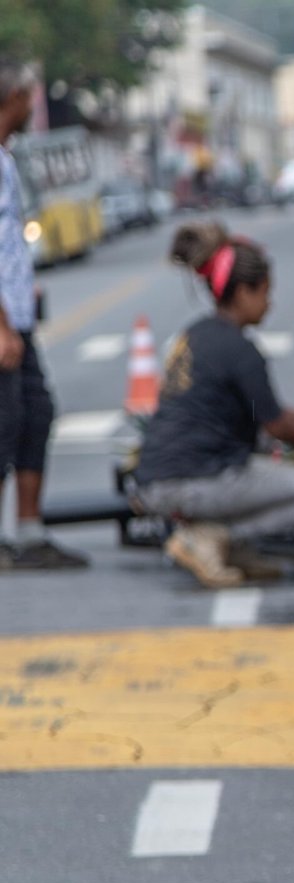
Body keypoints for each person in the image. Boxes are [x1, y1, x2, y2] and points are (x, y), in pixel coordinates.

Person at [132, 223, 294, 588]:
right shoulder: (241, 350)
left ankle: (225, 544)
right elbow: (277, 424)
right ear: (243, 292)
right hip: (192, 481)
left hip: (154, 477)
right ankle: (214, 538)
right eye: (265, 292)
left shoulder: (193, 335)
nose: (270, 302)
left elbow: (259, 415)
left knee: (262, 458)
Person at [0, 59, 88, 571]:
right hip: (4, 324)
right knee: (5, 423)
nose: (33, 106)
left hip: (17, 318)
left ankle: (30, 532)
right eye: (28, 97)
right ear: (11, 99)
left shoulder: (8, 158)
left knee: (36, 413)